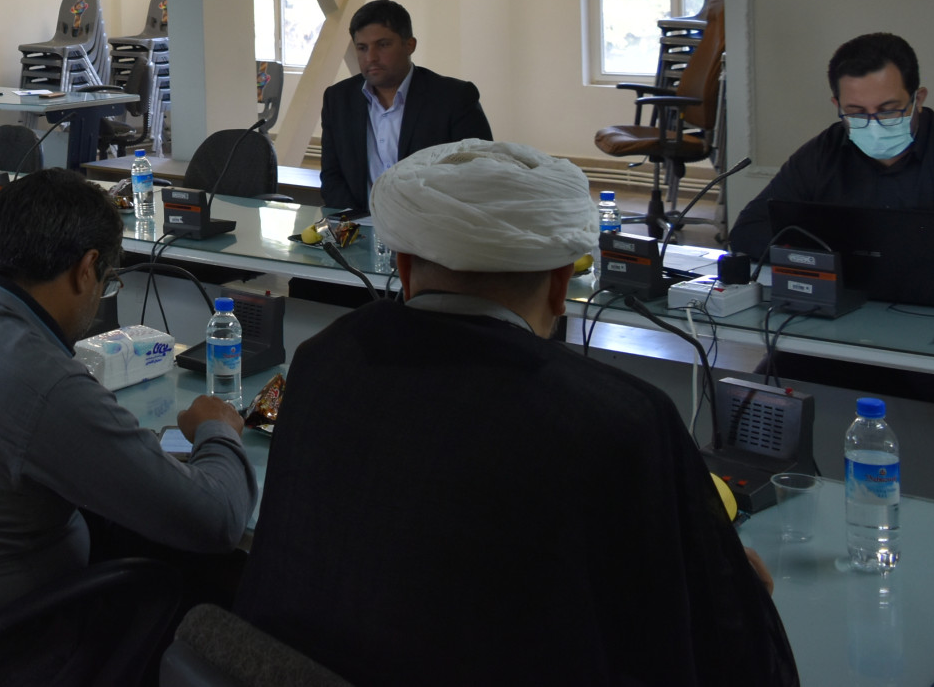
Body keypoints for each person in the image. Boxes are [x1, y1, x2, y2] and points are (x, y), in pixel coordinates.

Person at [237, 140, 796, 687]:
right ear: (560, 285)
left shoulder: (323, 357)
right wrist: (742, 595)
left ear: (404, 268)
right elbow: (721, 650)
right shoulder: (621, 420)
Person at [0, 168, 255, 681]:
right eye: (108, 280)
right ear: (86, 270)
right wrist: (218, 429)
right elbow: (217, 520)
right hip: (5, 640)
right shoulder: (43, 383)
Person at [730, 32, 934, 286]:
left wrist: (833, 252)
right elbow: (748, 231)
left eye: (888, 110)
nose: (873, 123)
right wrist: (851, 256)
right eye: (856, 112)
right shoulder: (823, 152)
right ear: (837, 105)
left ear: (918, 99)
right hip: (847, 303)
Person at [318, 0, 491, 215]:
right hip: (359, 225)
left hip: (432, 224)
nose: (371, 57)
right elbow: (332, 176)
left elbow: (477, 174)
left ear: (410, 45)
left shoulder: (454, 98)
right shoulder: (338, 99)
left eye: (383, 45)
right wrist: (359, 222)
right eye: (362, 48)